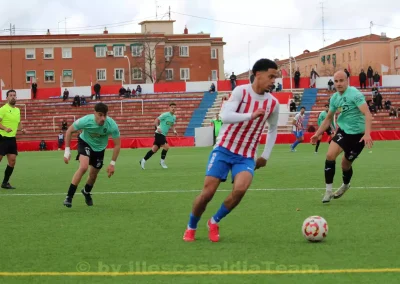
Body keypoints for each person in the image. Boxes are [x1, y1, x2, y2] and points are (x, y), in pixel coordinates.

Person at [182, 58, 280, 242]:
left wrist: (265, 155)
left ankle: (214, 221)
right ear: (257, 74)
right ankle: (191, 226)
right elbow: (224, 116)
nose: (274, 81)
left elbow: (273, 128)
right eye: (271, 76)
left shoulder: (273, 103)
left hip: (247, 155)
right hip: (224, 149)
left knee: (240, 190)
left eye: (275, 77)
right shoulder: (241, 92)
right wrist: (251, 115)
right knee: (207, 194)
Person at [311, 71, 373, 203]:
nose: (338, 84)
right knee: (329, 155)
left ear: (347, 81)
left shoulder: (355, 94)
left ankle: (345, 184)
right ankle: (328, 191)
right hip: (343, 132)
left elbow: (367, 114)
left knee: (345, 165)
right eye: (336, 81)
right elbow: (328, 118)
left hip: (358, 136)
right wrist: (317, 133)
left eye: (341, 80)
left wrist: (367, 134)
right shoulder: (334, 98)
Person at [63, 103, 121, 208]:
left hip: (99, 149)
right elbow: (69, 131)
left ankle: (86, 191)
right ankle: (69, 197)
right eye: (100, 115)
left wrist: (112, 163)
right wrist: (67, 151)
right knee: (84, 167)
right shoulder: (86, 120)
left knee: (93, 175)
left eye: (105, 115)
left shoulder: (112, 125)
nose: (103, 118)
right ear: (94, 113)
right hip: (85, 143)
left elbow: (117, 145)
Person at [0, 90, 26, 189]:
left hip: (12, 139)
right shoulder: (3, 109)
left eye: (14, 95)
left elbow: (18, 122)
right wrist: (5, 128)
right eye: (10, 95)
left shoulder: (17, 110)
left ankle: (5, 182)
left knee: (12, 161)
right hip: (2, 138)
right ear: (7, 98)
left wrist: (22, 129)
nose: (13, 97)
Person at [139, 103, 178, 169]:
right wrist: (158, 127)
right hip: (159, 134)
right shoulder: (165, 115)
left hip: (163, 135)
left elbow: (172, 125)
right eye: (172, 107)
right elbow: (156, 120)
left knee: (154, 150)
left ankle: (143, 160)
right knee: (166, 147)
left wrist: (174, 131)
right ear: (169, 108)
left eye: (174, 107)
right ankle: (162, 162)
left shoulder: (174, 117)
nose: (173, 108)